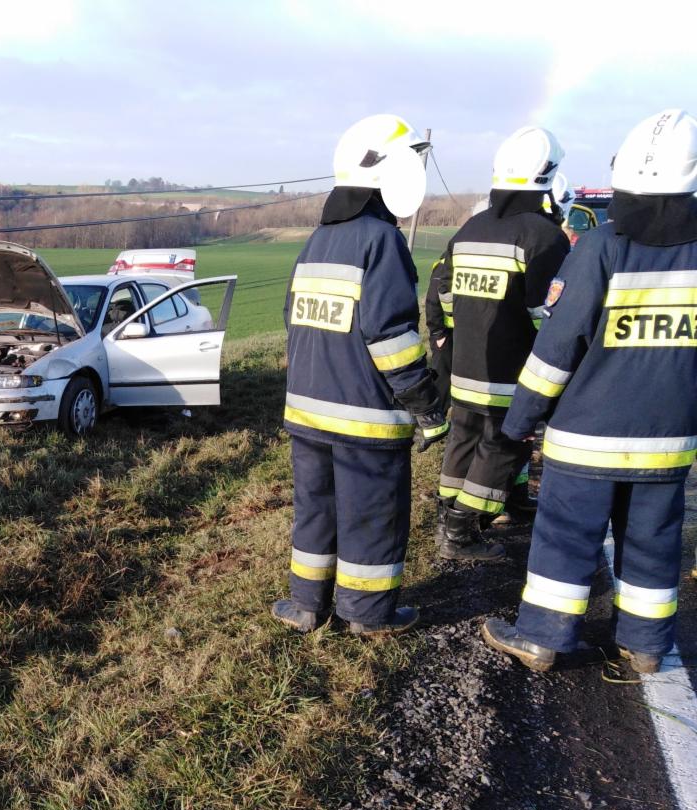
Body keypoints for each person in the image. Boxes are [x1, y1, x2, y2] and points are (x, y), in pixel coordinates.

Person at [483, 108, 697, 673]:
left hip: (587, 438)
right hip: (668, 440)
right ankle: (647, 647)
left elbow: (559, 347)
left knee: (564, 539)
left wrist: (520, 419)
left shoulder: (601, 248)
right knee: (652, 542)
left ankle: (542, 637)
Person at [272, 114, 447, 636]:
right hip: (365, 422)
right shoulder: (382, 241)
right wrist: (424, 404)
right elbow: (389, 334)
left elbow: (291, 318)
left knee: (315, 512)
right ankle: (367, 614)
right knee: (370, 516)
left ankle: (307, 604)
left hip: (306, 411)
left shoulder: (316, 241)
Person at [434, 127, 571, 559]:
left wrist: (456, 342)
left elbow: (446, 296)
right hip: (512, 373)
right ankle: (460, 531)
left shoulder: (472, 228)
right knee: (504, 448)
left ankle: (446, 513)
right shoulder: (542, 235)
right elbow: (548, 315)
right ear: (546, 176)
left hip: (466, 365)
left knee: (464, 439)